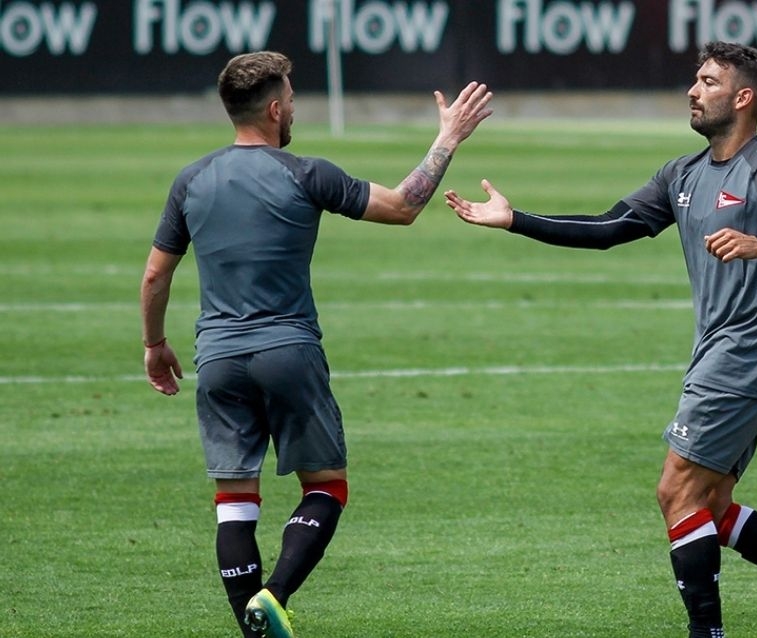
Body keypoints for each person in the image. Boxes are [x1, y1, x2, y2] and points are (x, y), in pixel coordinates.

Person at [445, 42, 757, 638]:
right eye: (695, 80)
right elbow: (608, 228)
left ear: (743, 98)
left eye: (708, 82)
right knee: (710, 504)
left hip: (747, 357)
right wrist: (516, 219)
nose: (693, 91)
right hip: (721, 356)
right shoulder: (682, 174)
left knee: (676, 492)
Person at [139, 51, 492, 638]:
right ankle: (274, 595)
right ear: (276, 110)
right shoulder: (306, 174)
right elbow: (404, 206)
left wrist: (154, 344)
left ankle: (252, 626)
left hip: (218, 358)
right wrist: (448, 137)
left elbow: (155, 275)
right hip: (289, 353)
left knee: (234, 501)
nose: (295, 108)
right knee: (327, 485)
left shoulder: (191, 180)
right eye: (293, 99)